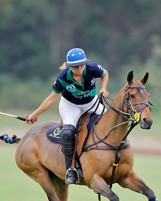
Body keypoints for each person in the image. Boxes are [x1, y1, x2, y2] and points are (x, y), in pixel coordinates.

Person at [26, 48, 109, 184]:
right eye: (76, 66)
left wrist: (103, 88)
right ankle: (71, 169)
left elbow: (105, 74)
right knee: (67, 133)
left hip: (91, 102)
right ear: (70, 66)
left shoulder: (92, 68)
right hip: (70, 105)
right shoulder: (63, 78)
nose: (80, 68)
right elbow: (50, 99)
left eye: (82, 64)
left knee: (111, 121)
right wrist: (34, 114)